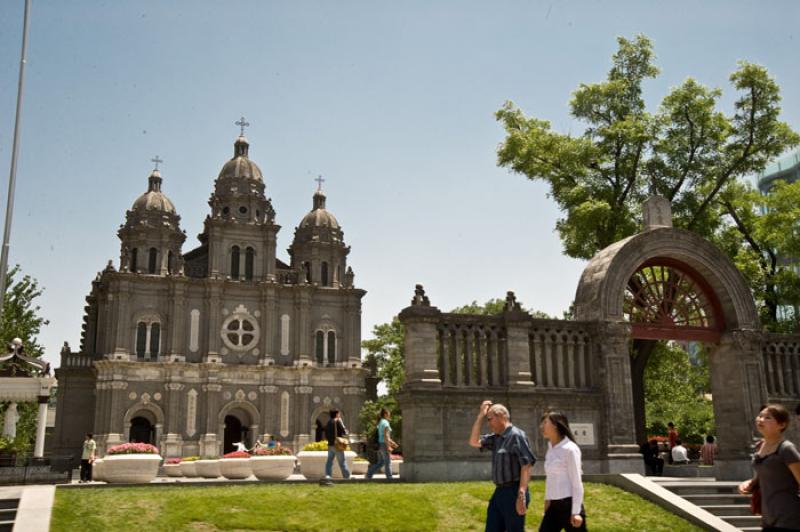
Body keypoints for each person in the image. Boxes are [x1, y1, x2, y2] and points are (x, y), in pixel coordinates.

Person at [469, 400, 536, 532]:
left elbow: (526, 464)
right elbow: (474, 441)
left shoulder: (516, 436)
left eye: (490, 419)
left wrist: (521, 493)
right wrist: (480, 416)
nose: (488, 424)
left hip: (514, 491)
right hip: (499, 492)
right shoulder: (496, 438)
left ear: (501, 416)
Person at [738, 404, 800, 530]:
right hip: (768, 517)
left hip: (788, 517)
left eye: (768, 418)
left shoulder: (787, 449)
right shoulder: (759, 446)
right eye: (760, 416)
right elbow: (762, 476)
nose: (761, 420)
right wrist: (749, 483)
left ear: (781, 425)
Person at [539, 411, 586, 532]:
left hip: (569, 505)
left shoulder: (570, 449)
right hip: (553, 506)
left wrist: (576, 512)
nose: (541, 427)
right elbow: (550, 478)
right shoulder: (550, 449)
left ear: (555, 425)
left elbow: (577, 482)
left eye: (545, 422)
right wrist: (547, 499)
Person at [366, 408, 398, 479]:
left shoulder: (380, 422)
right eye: (389, 413)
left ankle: (369, 474)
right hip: (384, 444)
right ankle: (389, 478)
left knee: (381, 462)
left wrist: (392, 443)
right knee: (387, 462)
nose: (389, 415)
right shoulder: (386, 423)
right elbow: (386, 436)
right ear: (385, 414)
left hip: (380, 444)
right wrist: (389, 446)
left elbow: (383, 436)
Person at [324, 409, 351, 479]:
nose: (339, 415)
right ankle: (347, 477)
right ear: (336, 414)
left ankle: (328, 476)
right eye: (339, 414)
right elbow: (344, 432)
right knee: (342, 462)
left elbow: (326, 434)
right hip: (337, 445)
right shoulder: (338, 422)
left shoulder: (328, 422)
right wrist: (341, 422)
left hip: (330, 445)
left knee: (329, 462)